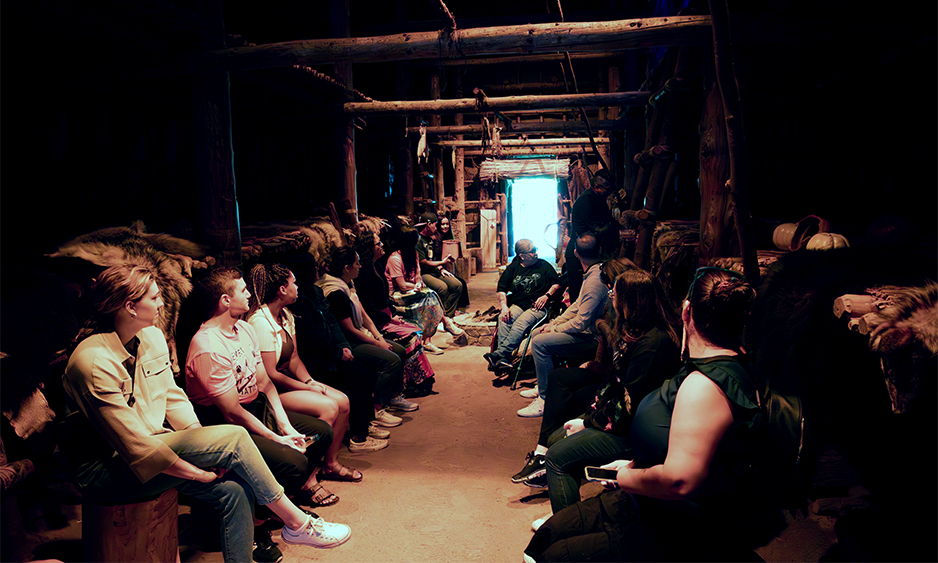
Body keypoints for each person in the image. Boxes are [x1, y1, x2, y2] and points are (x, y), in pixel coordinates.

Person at [59, 264, 351, 563]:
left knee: (235, 490)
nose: (162, 304)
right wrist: (198, 471)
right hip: (108, 466)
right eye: (155, 297)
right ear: (131, 306)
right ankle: (296, 523)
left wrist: (205, 446)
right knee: (235, 438)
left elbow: (173, 400)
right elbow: (134, 447)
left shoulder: (152, 337)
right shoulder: (93, 360)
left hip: (155, 443)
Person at [524, 267, 769, 562]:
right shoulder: (710, 365)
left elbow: (680, 480)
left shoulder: (704, 385)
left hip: (674, 524)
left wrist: (628, 476)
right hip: (646, 492)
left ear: (686, 311)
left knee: (549, 555)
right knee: (547, 536)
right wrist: (634, 464)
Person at [513, 267, 681, 527]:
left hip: (635, 431)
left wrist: (589, 422)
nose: (611, 294)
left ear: (631, 300)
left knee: (557, 456)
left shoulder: (653, 345)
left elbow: (629, 405)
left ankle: (566, 526)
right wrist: (591, 414)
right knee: (558, 435)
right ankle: (566, 509)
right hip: (622, 418)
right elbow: (614, 383)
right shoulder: (635, 330)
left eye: (616, 291)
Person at [185, 266, 340, 515]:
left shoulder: (244, 328)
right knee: (294, 462)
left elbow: (265, 383)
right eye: (243, 290)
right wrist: (275, 437)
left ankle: (280, 501)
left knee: (321, 433)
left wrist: (285, 425)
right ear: (226, 300)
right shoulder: (208, 346)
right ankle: (262, 517)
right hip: (224, 423)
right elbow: (232, 412)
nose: (249, 295)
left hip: (255, 407)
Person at [245, 263, 362, 482]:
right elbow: (269, 374)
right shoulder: (260, 322)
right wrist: (307, 387)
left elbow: (294, 358)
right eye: (293, 283)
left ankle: (330, 464)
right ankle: (309, 474)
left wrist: (309, 380)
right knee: (328, 406)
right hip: (272, 392)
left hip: (288, 382)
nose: (297, 287)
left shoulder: (286, 315)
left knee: (343, 402)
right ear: (282, 289)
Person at [287, 255, 393, 454]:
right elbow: (311, 339)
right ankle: (358, 437)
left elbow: (332, 323)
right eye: (315, 267)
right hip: (317, 361)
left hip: (333, 353)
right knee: (359, 378)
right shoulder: (298, 303)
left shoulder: (316, 292)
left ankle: (365, 424)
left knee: (363, 373)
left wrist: (343, 346)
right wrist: (337, 353)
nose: (319, 270)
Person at [317, 246, 420, 417]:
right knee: (391, 360)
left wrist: (379, 337)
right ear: (346, 268)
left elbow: (364, 314)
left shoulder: (348, 284)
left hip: (360, 333)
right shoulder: (334, 291)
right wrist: (377, 343)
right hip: (347, 341)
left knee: (400, 350)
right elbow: (348, 329)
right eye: (357, 264)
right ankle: (376, 408)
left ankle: (393, 398)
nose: (360, 266)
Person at [518, 232, 608, 418]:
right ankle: (543, 385)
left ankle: (545, 399)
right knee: (537, 335)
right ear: (599, 250)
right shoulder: (592, 273)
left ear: (575, 253)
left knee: (540, 343)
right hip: (585, 331)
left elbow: (581, 321)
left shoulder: (594, 281)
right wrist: (555, 322)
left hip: (594, 337)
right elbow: (576, 306)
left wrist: (556, 329)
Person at [354, 232, 437, 396]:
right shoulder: (364, 274)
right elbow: (369, 309)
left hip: (385, 315)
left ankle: (419, 381)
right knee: (411, 336)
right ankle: (410, 384)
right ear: (370, 250)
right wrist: (389, 319)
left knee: (417, 325)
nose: (382, 245)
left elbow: (384, 299)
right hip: (376, 321)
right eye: (378, 244)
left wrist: (391, 315)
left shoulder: (376, 266)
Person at [483, 239, 562, 373]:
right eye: (532, 251)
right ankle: (504, 360)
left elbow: (557, 284)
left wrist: (546, 295)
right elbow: (501, 288)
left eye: (536, 249)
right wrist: (504, 307)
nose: (536, 253)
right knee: (504, 319)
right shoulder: (514, 267)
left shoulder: (544, 265)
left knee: (521, 322)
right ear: (522, 255)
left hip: (537, 306)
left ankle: (500, 354)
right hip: (518, 304)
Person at [384, 228, 447, 354]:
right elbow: (401, 285)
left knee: (430, 298)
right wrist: (415, 287)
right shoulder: (395, 259)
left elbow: (418, 275)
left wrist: (418, 284)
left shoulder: (414, 254)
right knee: (430, 296)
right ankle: (445, 323)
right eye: (415, 242)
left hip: (411, 289)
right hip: (397, 293)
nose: (417, 244)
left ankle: (429, 339)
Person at [416, 212, 468, 347]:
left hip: (435, 270)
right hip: (424, 273)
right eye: (435, 224)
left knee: (457, 284)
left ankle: (447, 318)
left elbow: (434, 259)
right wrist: (442, 262)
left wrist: (441, 268)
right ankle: (439, 319)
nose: (437, 227)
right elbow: (423, 262)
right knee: (442, 287)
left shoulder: (430, 239)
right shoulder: (419, 240)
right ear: (428, 224)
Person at [564, 169, 616, 303]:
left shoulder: (599, 199)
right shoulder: (585, 202)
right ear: (596, 187)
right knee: (579, 297)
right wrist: (616, 227)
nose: (610, 192)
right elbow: (598, 229)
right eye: (607, 189)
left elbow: (607, 221)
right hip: (579, 253)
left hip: (591, 252)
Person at [430, 215, 470, 312]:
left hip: (444, 267)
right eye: (442, 224)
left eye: (447, 224)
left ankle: (459, 309)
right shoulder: (434, 239)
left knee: (462, 283)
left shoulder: (448, 237)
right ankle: (450, 311)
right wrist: (441, 268)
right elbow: (433, 258)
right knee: (455, 285)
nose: (445, 226)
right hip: (436, 268)